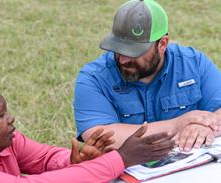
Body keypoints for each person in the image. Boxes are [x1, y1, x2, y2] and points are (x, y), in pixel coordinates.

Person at [0, 76, 174, 183]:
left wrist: (73, 161)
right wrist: (120, 159)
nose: (11, 119)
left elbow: (44, 158)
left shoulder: (2, 141)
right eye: (0, 115)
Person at [73, 0, 221, 152]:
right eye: (117, 49)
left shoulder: (194, 64)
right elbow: (99, 137)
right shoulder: (93, 78)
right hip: (125, 171)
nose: (123, 59)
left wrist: (203, 129)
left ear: (162, 44)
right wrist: (177, 125)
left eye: (133, 52)